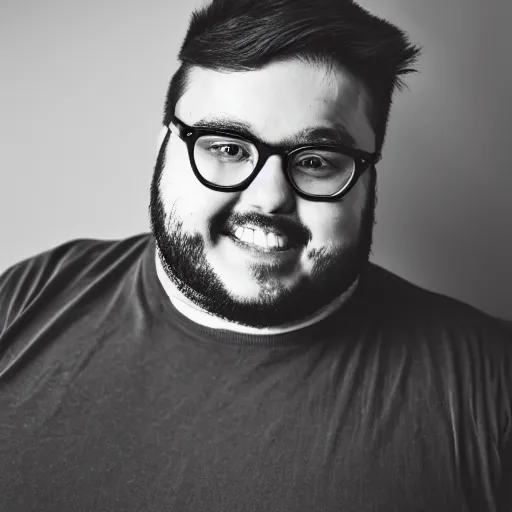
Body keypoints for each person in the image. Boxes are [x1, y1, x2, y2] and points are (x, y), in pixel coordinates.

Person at [0, 0, 510, 510]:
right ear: (164, 149)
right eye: (226, 147)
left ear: (369, 179)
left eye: (314, 161)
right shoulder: (27, 296)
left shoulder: (491, 384)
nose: (268, 197)